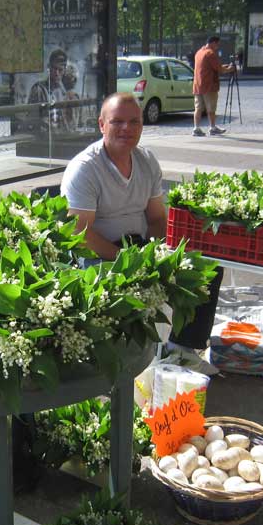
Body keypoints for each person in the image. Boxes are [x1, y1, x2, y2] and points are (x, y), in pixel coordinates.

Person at [61, 92, 224, 349]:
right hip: (100, 255)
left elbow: (157, 217)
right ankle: (126, 361)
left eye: (134, 122)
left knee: (208, 271)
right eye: (117, 122)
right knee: (124, 291)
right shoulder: (85, 168)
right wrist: (127, 260)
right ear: (102, 125)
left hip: (140, 246)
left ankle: (183, 350)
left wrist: (158, 255)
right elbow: (80, 233)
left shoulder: (146, 160)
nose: (127, 128)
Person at [192, 35, 236, 137]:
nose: (217, 47)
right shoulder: (210, 53)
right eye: (217, 44)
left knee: (198, 108)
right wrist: (230, 69)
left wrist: (223, 66)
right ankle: (212, 127)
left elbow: (210, 67)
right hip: (209, 86)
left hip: (198, 85)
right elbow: (219, 69)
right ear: (213, 43)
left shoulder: (199, 52)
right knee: (211, 108)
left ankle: (196, 128)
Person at [28, 49, 69, 132]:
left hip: (60, 136)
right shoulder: (39, 89)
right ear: (49, 68)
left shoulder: (63, 92)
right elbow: (33, 118)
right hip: (44, 137)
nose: (57, 73)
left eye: (60, 70)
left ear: (64, 70)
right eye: (54, 69)